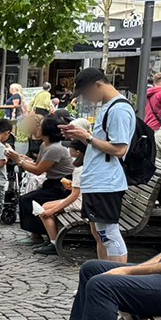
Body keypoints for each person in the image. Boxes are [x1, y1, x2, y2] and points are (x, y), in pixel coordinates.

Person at [59, 68, 133, 265]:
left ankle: (116, 278)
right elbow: (103, 144)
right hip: (98, 180)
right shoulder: (110, 107)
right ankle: (104, 275)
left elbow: (120, 149)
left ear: (98, 85)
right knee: (99, 232)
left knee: (108, 233)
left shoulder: (118, 109)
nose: (86, 98)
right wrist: (81, 136)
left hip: (106, 182)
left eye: (86, 92)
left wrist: (88, 137)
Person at [7, 116, 73, 248]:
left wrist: (18, 160)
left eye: (40, 125)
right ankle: (37, 234)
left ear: (47, 129)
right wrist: (21, 158)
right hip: (52, 182)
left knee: (29, 200)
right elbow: (37, 164)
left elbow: (38, 170)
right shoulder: (45, 145)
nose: (37, 128)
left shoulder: (55, 148)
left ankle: (41, 235)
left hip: (63, 185)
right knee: (28, 199)